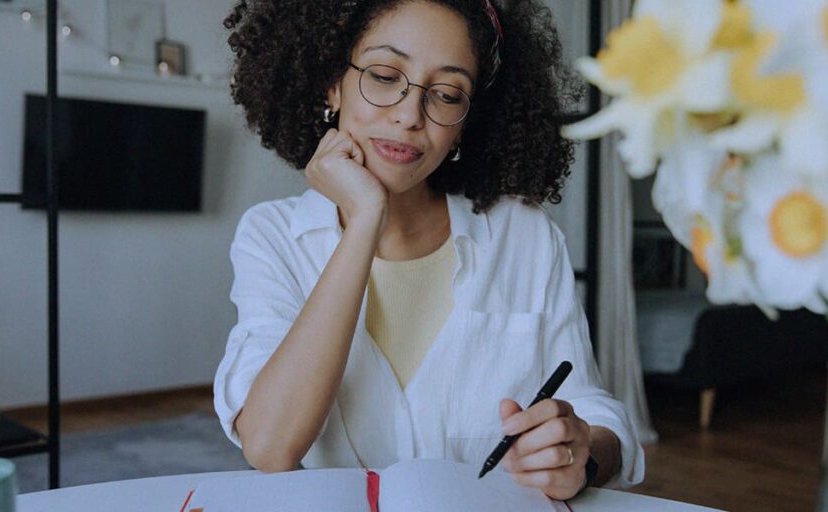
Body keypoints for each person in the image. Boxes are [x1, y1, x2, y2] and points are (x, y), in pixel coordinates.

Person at [214, 0, 644, 500]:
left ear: (464, 123)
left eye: (445, 93)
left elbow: (597, 416)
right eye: (382, 75)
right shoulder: (272, 235)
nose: (409, 115)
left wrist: (581, 454)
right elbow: (270, 447)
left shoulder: (524, 235)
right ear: (332, 83)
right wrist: (364, 222)